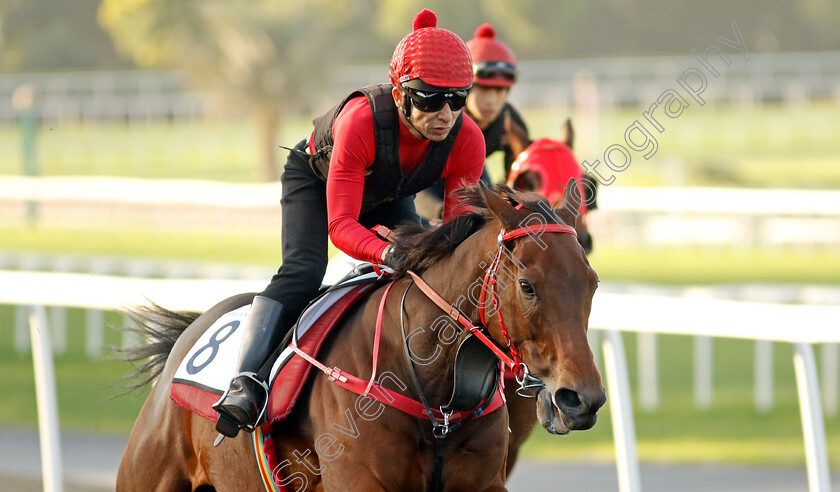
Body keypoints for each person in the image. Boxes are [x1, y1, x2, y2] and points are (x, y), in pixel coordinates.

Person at [212, 9, 485, 437]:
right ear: (400, 94)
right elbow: (341, 226)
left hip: (388, 192)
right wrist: (389, 250)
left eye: (458, 99)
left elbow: (459, 236)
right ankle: (245, 383)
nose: (446, 114)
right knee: (304, 271)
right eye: (431, 99)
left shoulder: (468, 139)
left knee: (423, 275)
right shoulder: (361, 120)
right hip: (317, 183)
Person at [416, 23, 530, 221]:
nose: (491, 101)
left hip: (469, 169)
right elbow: (408, 186)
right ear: (464, 87)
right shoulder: (441, 115)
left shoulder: (511, 122)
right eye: (484, 89)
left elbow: (517, 185)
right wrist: (441, 214)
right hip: (421, 183)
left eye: (500, 90)